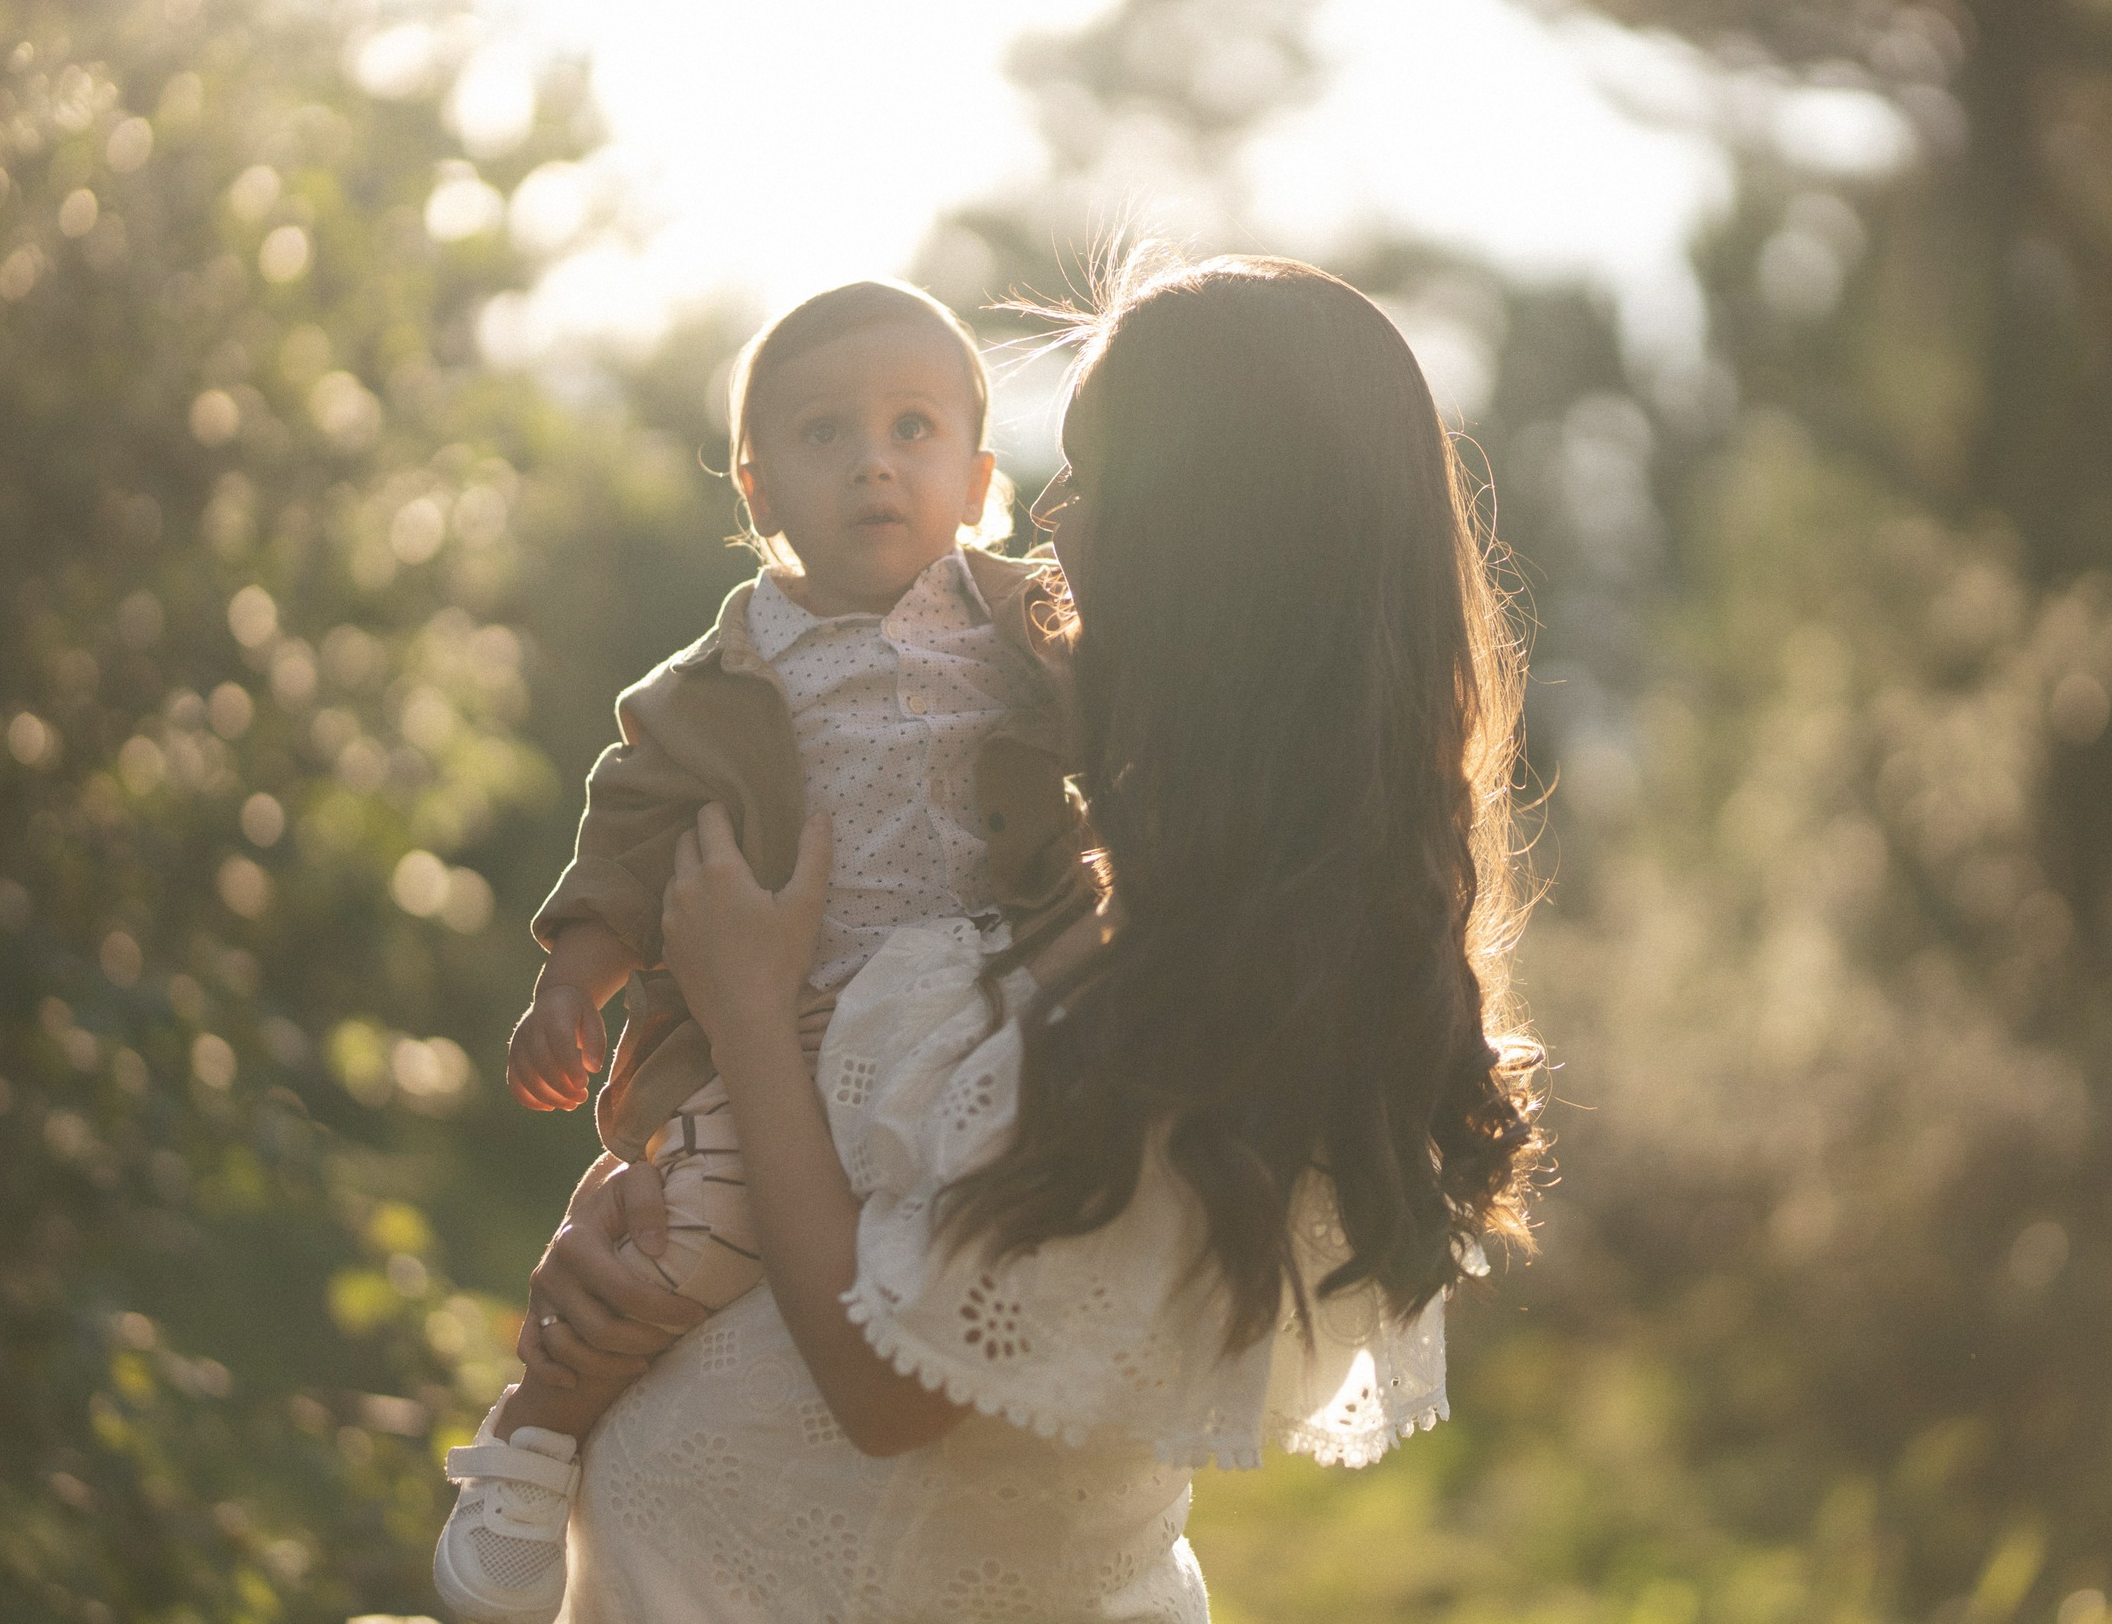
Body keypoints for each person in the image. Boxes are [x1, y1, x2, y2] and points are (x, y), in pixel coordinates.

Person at [508, 252, 1544, 1622]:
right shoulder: (1109, 887)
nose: (1048, 511)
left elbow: (886, 1391)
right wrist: (642, 1214)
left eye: (1097, 472)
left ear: (1215, 547)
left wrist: (748, 1012)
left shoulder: (1225, 980)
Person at [431, 278, 1085, 1624]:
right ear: (757, 487)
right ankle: (532, 1442)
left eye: (914, 428)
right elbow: (628, 842)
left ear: (977, 478)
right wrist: (571, 984)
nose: (874, 462)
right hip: (769, 1044)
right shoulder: (718, 684)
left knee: (960, 1244)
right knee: (673, 1243)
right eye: (824, 434)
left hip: (974, 1037)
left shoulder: (1038, 633)